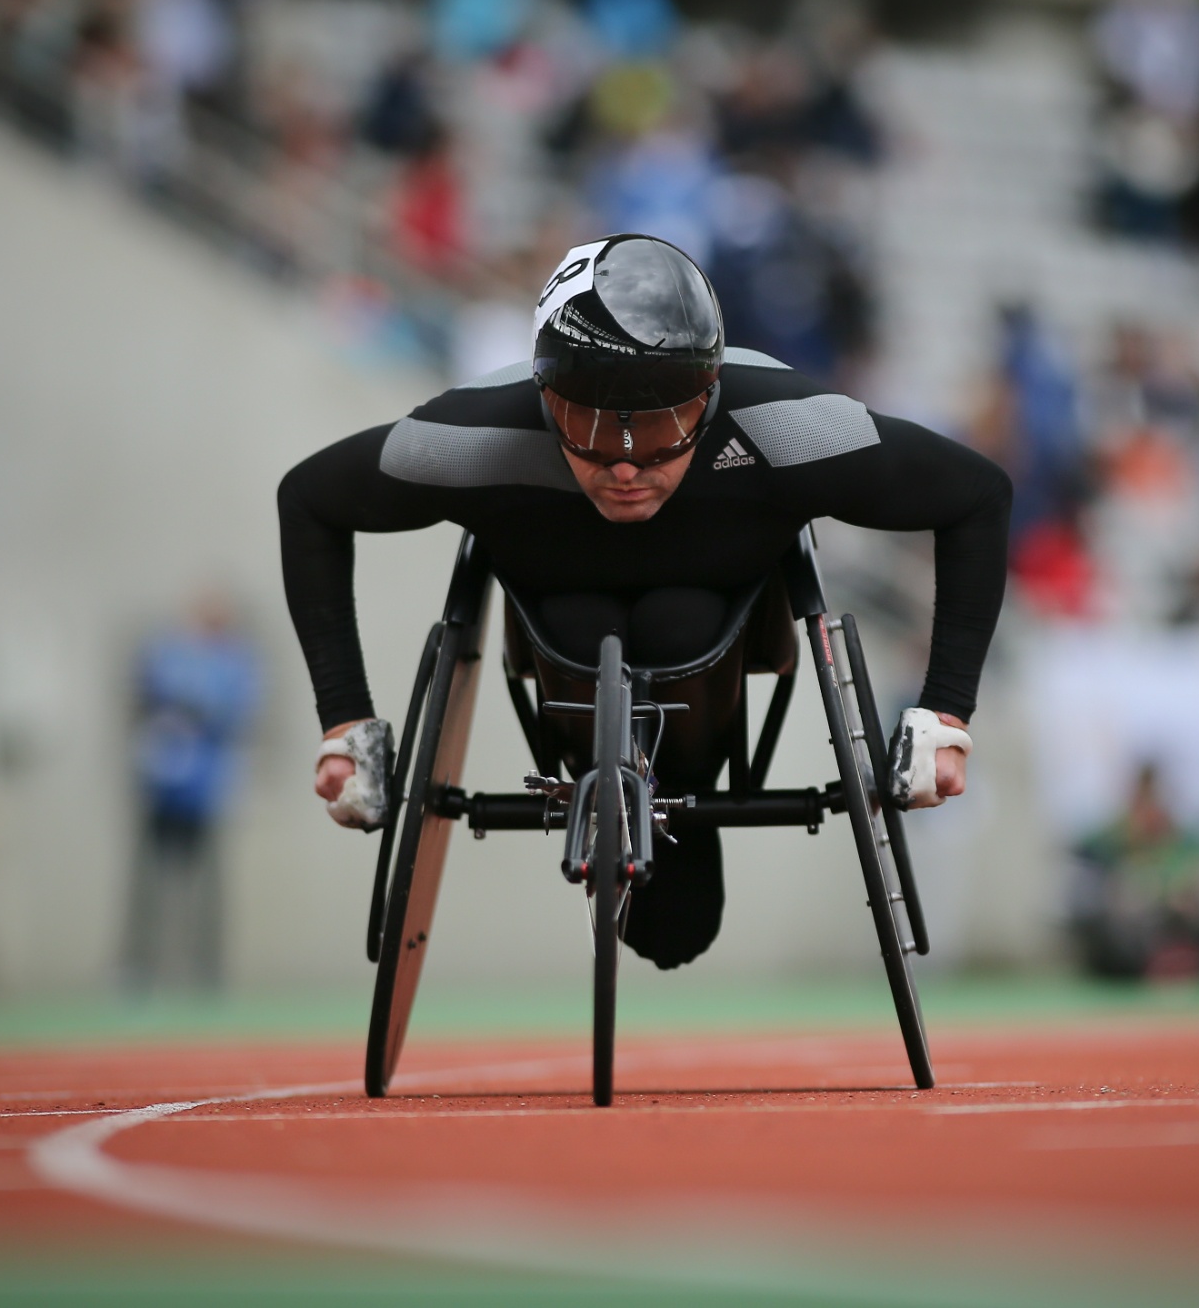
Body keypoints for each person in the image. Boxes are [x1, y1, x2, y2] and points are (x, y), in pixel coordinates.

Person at [278, 233, 1010, 970]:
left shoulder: (782, 422)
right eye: (590, 427)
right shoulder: (480, 433)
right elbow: (309, 499)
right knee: (585, 623)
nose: (625, 464)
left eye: (659, 425)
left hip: (713, 647)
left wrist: (946, 713)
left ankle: (676, 775)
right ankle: (605, 773)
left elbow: (978, 495)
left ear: (710, 393)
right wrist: (345, 721)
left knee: (677, 621)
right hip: (560, 639)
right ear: (543, 399)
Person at [123, 592, 262, 994]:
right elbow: (148, 693)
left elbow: (232, 709)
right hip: (161, 788)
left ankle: (207, 972)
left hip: (206, 792)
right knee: (149, 884)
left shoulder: (235, 661)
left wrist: (191, 706)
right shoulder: (168, 651)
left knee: (208, 888)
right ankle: (140, 969)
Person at [1066, 763, 1199, 980]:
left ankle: (1197, 956)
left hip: (1185, 925)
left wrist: (1177, 892)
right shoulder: (1113, 839)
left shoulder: (1187, 841)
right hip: (1133, 938)